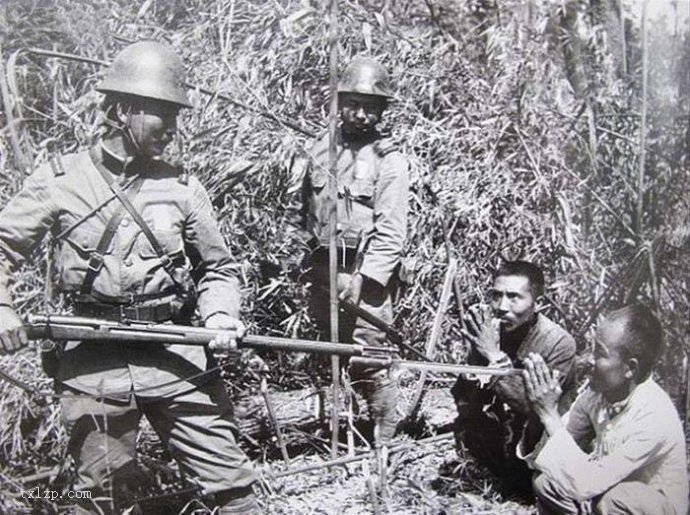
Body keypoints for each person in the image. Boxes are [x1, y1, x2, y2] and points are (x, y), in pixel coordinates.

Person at [0, 41, 258, 514]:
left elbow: (218, 268)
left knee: (234, 490)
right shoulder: (59, 181)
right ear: (122, 111)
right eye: (163, 114)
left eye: (176, 116)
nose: (174, 130)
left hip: (175, 357)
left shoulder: (183, 189)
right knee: (97, 499)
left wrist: (221, 316)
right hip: (93, 366)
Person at [284, 56, 409, 444]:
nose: (360, 115)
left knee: (368, 358)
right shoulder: (320, 151)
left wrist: (364, 279)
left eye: (370, 108)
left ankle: (386, 438)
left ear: (382, 111)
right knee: (330, 352)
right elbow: (300, 212)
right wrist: (295, 263)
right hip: (323, 272)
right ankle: (344, 431)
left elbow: (391, 233)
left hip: (364, 278)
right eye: (352, 104)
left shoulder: (391, 162)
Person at [521, 304, 689, 515]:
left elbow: (587, 483)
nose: (589, 359)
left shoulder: (655, 417)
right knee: (547, 482)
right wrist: (539, 408)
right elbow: (555, 448)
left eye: (600, 353)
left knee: (618, 498)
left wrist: (549, 414)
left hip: (647, 505)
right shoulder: (596, 394)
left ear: (630, 368)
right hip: (602, 491)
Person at [450, 260, 576, 500]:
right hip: (503, 437)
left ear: (537, 303)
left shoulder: (558, 343)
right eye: (496, 296)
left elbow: (537, 409)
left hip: (542, 441)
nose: (501, 306)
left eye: (514, 297)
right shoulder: (489, 333)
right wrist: (476, 368)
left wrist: (494, 358)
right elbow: (465, 399)